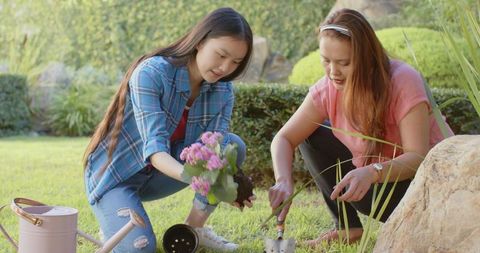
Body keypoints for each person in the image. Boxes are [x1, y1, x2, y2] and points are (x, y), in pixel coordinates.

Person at [268, 8, 453, 248]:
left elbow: (418, 157)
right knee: (312, 132)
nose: (333, 72)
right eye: (326, 61)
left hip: (423, 191)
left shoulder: (403, 80)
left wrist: (372, 171)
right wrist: (283, 180)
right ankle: (347, 228)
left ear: (366, 58)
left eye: (344, 63)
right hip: (369, 185)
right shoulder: (328, 88)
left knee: (368, 187)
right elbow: (284, 137)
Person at [83, 7, 255, 253]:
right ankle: (114, 223)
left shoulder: (223, 91)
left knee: (231, 145)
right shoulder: (152, 73)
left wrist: (232, 182)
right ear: (200, 41)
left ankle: (192, 230)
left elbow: (212, 152)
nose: (225, 68)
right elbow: (155, 151)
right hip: (117, 176)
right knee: (140, 248)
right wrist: (200, 179)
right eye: (221, 55)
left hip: (161, 177)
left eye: (236, 62)